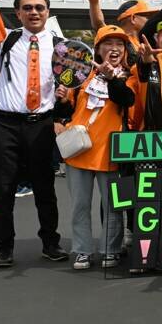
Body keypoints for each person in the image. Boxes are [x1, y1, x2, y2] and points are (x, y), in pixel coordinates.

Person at [0, 0, 68, 267]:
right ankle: (4, 247)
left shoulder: (61, 47)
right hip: (3, 125)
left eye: (39, 7)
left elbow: (71, 84)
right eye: (27, 8)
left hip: (41, 125)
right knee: (3, 188)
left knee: (45, 188)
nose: (34, 12)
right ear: (18, 13)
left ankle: (50, 243)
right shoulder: (3, 39)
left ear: (47, 12)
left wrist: (64, 97)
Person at [55, 25, 137, 270]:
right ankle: (82, 250)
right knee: (80, 205)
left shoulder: (130, 75)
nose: (114, 49)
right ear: (98, 49)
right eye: (108, 44)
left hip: (111, 151)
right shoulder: (81, 74)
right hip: (78, 151)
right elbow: (65, 112)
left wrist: (112, 78)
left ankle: (110, 250)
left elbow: (127, 99)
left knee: (113, 206)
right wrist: (61, 99)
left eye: (119, 45)